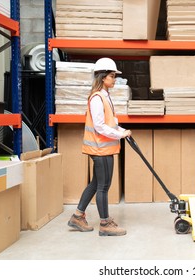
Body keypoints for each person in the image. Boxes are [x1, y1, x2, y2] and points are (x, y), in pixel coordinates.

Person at [68, 57, 132, 236]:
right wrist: (120, 134)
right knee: (104, 186)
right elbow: (99, 126)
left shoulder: (105, 96)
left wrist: (122, 129)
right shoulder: (97, 98)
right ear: (103, 77)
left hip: (104, 148)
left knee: (96, 183)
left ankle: (77, 216)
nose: (114, 79)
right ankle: (105, 224)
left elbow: (109, 123)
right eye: (112, 76)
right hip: (100, 149)